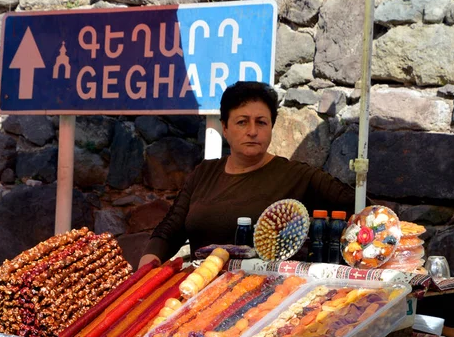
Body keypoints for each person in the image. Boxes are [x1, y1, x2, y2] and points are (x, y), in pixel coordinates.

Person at [139, 81, 356, 267]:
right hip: (199, 292)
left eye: (261, 122)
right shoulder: (205, 173)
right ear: (225, 128)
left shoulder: (297, 176)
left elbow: (361, 207)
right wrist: (147, 269)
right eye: (242, 122)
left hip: (262, 302)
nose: (252, 131)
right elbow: (170, 230)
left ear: (271, 127)